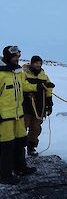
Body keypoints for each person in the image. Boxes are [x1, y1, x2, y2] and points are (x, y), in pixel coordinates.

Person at [0, 46, 37, 185]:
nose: (17, 58)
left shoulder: (18, 72)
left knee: (21, 142)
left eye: (18, 56)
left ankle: (20, 168)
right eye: (15, 56)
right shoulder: (1, 73)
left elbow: (24, 85)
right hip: (5, 118)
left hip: (18, 115)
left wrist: (40, 86)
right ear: (8, 56)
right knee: (6, 146)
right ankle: (5, 175)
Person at [23, 56, 55, 156]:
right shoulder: (24, 73)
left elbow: (48, 88)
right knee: (23, 126)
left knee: (36, 128)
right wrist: (38, 87)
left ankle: (31, 147)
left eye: (40, 63)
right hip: (26, 105)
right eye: (36, 63)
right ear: (32, 63)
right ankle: (18, 148)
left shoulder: (43, 75)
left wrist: (49, 102)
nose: (38, 65)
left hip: (39, 106)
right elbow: (23, 86)